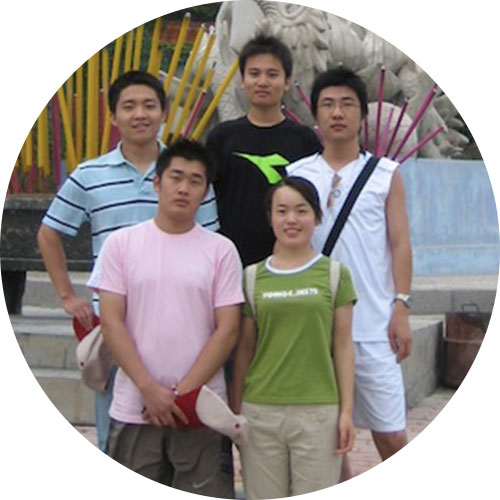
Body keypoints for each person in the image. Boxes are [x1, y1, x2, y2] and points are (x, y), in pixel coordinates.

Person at [37, 70, 219, 453]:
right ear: (113, 116)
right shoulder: (90, 175)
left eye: (149, 106)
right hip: (114, 324)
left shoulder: (186, 174)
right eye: (129, 106)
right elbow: (49, 233)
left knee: (182, 439)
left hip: (181, 323)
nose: (140, 114)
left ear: (164, 113)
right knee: (115, 439)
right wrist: (67, 295)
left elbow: (211, 245)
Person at [88, 139, 243, 496]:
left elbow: (228, 329)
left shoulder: (221, 250)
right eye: (176, 177)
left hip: (201, 408)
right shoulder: (121, 244)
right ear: (157, 183)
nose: (184, 188)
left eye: (195, 181)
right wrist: (148, 389)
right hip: (134, 405)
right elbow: (111, 322)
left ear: (206, 192)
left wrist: (181, 395)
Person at [287, 67, 412, 477]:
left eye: (347, 104)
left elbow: (400, 243)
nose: (337, 113)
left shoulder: (386, 174)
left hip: (373, 323)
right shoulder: (298, 174)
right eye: (328, 104)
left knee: (390, 432)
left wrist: (401, 306)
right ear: (316, 115)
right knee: (328, 437)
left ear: (363, 115)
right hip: (315, 324)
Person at [231, 176, 356, 498]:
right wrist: (237, 410)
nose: (291, 220)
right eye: (282, 211)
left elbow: (343, 346)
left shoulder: (335, 275)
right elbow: (244, 349)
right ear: (270, 218)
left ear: (317, 217)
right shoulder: (251, 277)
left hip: (318, 412)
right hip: (260, 411)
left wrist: (346, 412)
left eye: (301, 211)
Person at [206, 34, 322, 267]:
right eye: (254, 73)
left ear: (287, 81)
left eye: (272, 74)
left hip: (291, 261)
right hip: (232, 261)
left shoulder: (305, 140)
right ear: (242, 80)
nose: (262, 82)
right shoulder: (222, 137)